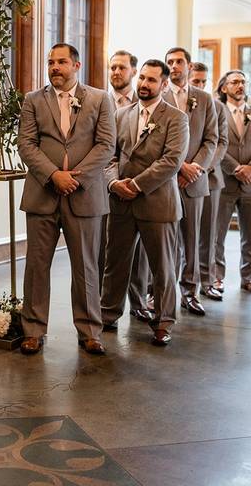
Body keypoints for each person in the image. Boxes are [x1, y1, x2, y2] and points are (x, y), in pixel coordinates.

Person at [16, 43, 116, 356]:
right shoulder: (33, 100)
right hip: (42, 194)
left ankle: (89, 331)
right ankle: (32, 330)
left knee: (86, 267)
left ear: (77, 65)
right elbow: (27, 144)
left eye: (61, 62)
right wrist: (52, 175)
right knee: (36, 266)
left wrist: (74, 177)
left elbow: (106, 145)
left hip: (84, 195)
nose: (55, 67)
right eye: (50, 62)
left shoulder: (100, 99)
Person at [100, 59, 188, 346]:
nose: (144, 85)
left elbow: (172, 161)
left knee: (162, 267)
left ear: (163, 85)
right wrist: (114, 183)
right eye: (142, 79)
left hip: (157, 202)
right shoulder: (121, 115)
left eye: (152, 80)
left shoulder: (176, 118)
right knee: (115, 262)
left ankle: (163, 321)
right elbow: (110, 156)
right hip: (121, 202)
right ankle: (108, 313)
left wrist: (136, 185)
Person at [163, 48, 218, 316]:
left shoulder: (204, 99)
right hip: (165, 180)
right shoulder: (158, 95)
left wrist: (196, 168)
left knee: (192, 238)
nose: (174, 66)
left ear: (189, 65)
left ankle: (190, 291)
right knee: (163, 241)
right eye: (170, 62)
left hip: (194, 180)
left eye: (179, 62)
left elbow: (212, 139)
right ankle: (158, 293)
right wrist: (178, 167)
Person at [104, 50, 152, 323]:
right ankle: (106, 305)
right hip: (107, 184)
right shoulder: (99, 100)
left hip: (140, 188)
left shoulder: (148, 102)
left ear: (133, 71)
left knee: (140, 254)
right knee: (108, 250)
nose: (116, 72)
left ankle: (139, 301)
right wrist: (111, 181)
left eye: (122, 68)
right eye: (112, 68)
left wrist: (136, 183)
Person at [213, 70, 251, 295]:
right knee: (217, 234)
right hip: (225, 181)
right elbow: (214, 143)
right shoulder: (216, 111)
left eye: (243, 82)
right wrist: (235, 168)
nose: (240, 85)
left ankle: (250, 278)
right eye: (235, 82)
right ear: (224, 87)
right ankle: (216, 278)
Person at [189, 63, 229, 300]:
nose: (201, 86)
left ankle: (207, 280)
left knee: (207, 234)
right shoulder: (173, 101)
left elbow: (220, 141)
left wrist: (200, 167)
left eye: (204, 82)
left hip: (208, 178)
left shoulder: (216, 107)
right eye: (196, 81)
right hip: (176, 177)